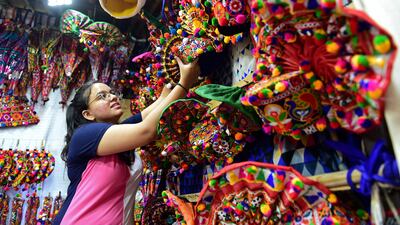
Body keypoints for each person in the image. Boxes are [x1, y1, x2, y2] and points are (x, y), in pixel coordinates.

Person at [52, 57, 200, 225]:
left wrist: (169, 88)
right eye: (102, 96)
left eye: (112, 93)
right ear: (88, 114)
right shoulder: (84, 135)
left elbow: (149, 114)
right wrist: (184, 84)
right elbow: (147, 130)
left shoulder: (115, 135)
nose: (113, 97)